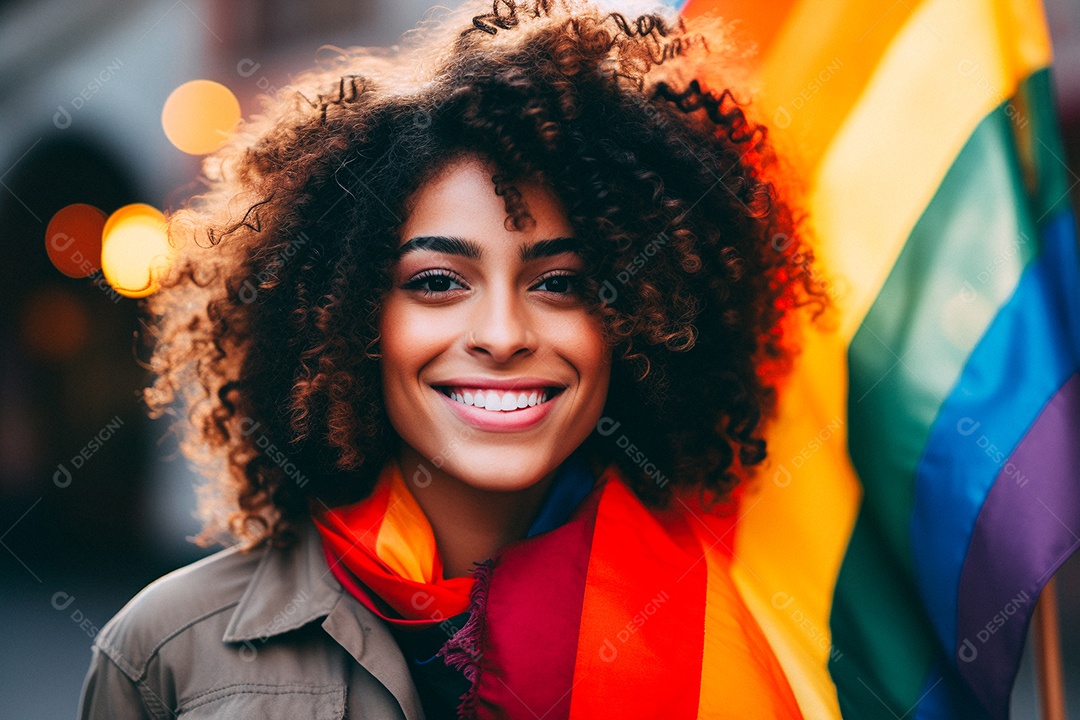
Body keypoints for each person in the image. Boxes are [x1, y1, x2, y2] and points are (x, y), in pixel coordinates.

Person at [78, 0, 826, 717]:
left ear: (641, 318)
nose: (501, 335)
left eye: (560, 283)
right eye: (438, 282)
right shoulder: (166, 654)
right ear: (345, 316)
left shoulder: (751, 639)